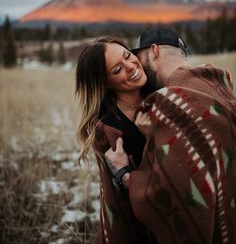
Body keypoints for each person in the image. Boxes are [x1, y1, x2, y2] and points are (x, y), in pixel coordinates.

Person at [105, 28, 236, 244]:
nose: (135, 67)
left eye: (136, 57)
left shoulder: (174, 103)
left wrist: (124, 174)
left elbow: (167, 195)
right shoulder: (219, 88)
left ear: (153, 51)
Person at [75, 36, 157, 244]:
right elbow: (120, 198)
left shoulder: (161, 93)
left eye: (127, 55)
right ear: (106, 84)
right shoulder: (109, 128)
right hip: (143, 226)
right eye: (117, 70)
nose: (130, 66)